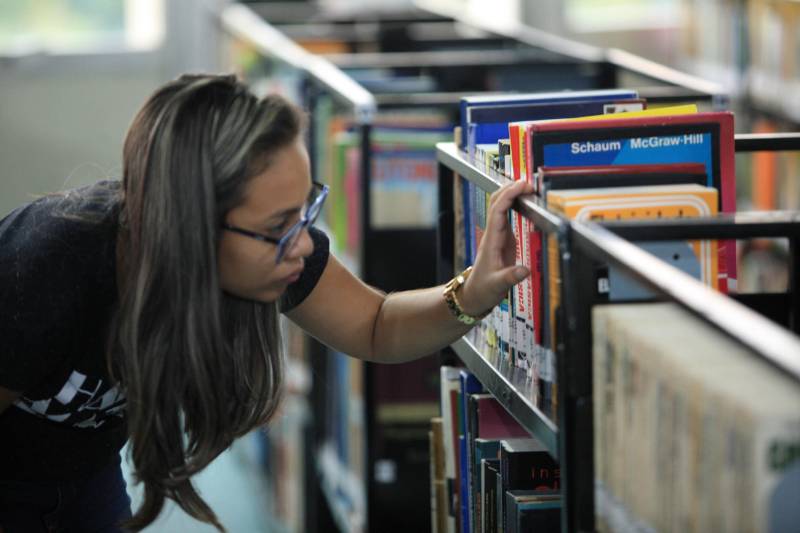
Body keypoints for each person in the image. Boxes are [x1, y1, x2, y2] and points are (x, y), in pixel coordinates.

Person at [0, 74, 533, 532]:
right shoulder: (49, 266)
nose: (303, 243)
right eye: (279, 226)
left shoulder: (273, 251)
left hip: (85, 472)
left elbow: (375, 325)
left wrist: (473, 291)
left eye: (305, 212)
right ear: (194, 228)